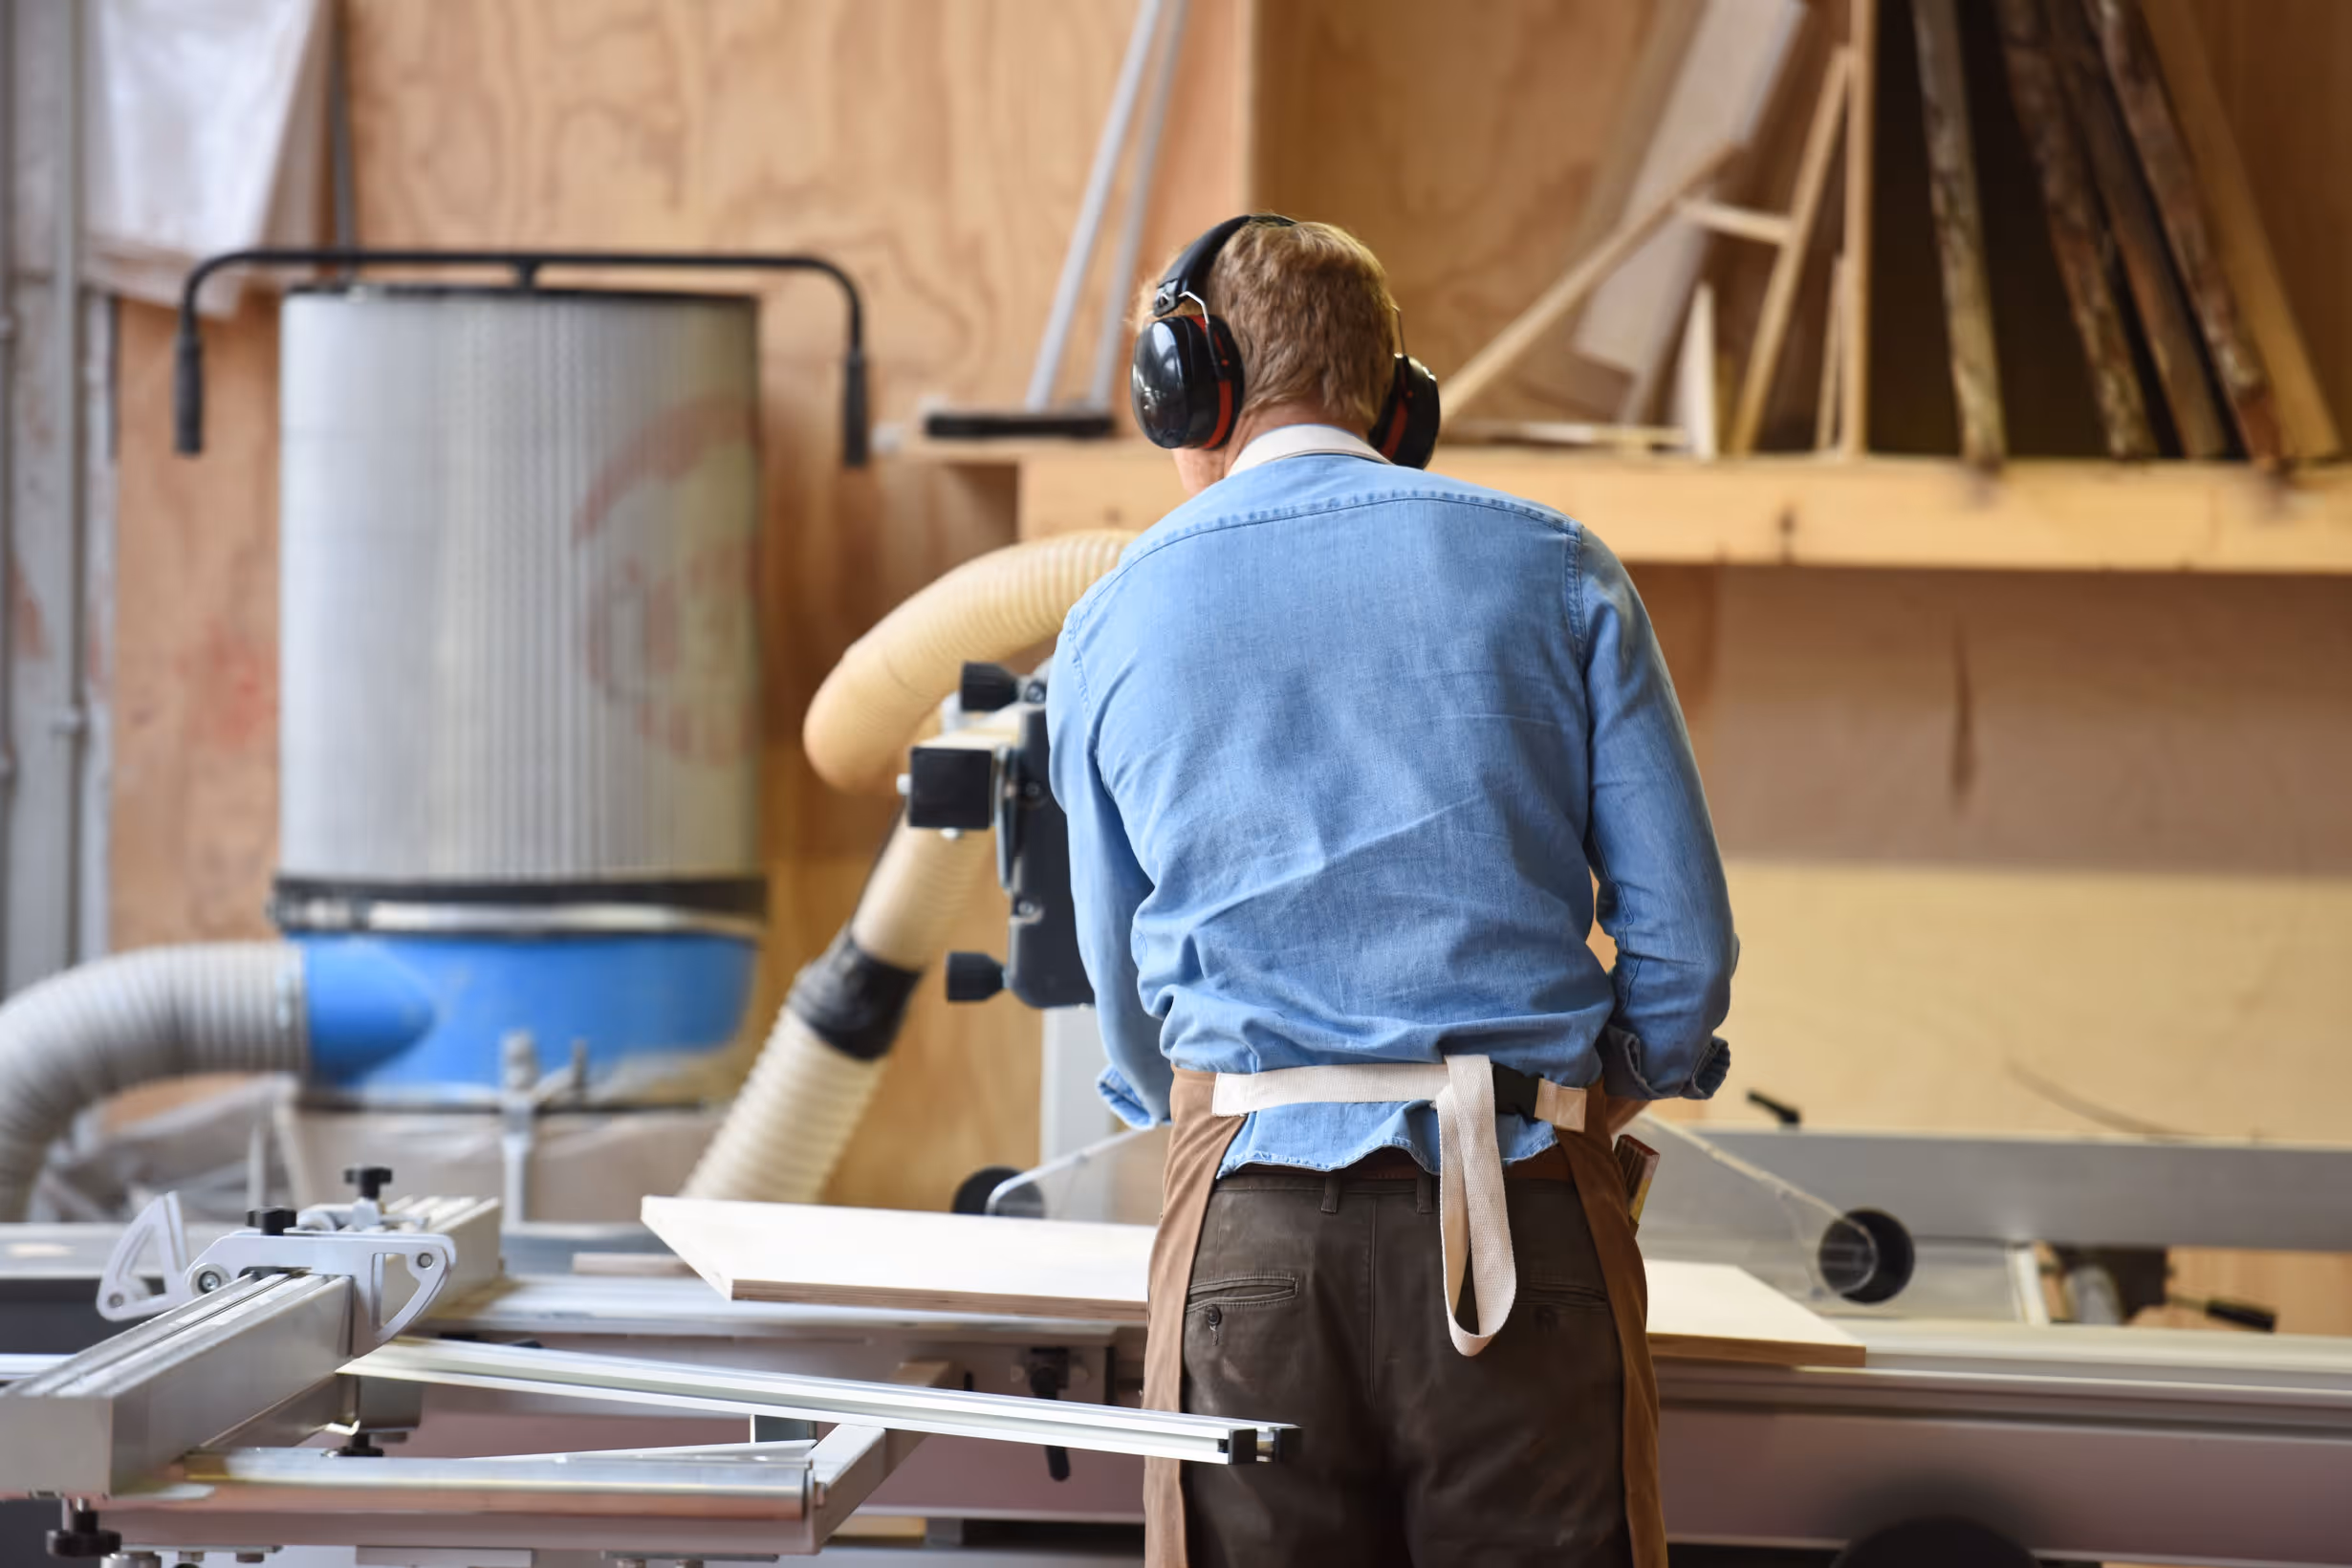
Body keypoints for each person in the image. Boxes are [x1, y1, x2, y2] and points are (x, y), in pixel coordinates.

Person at [1047, 214, 1737, 1568]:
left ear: (1190, 386)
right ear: (1398, 402)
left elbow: (1120, 993)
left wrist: (1197, 1113)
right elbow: (1686, 952)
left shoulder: (1112, 618)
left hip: (1250, 1225)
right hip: (1520, 1205)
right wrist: (1588, 1103)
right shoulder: (1556, 567)